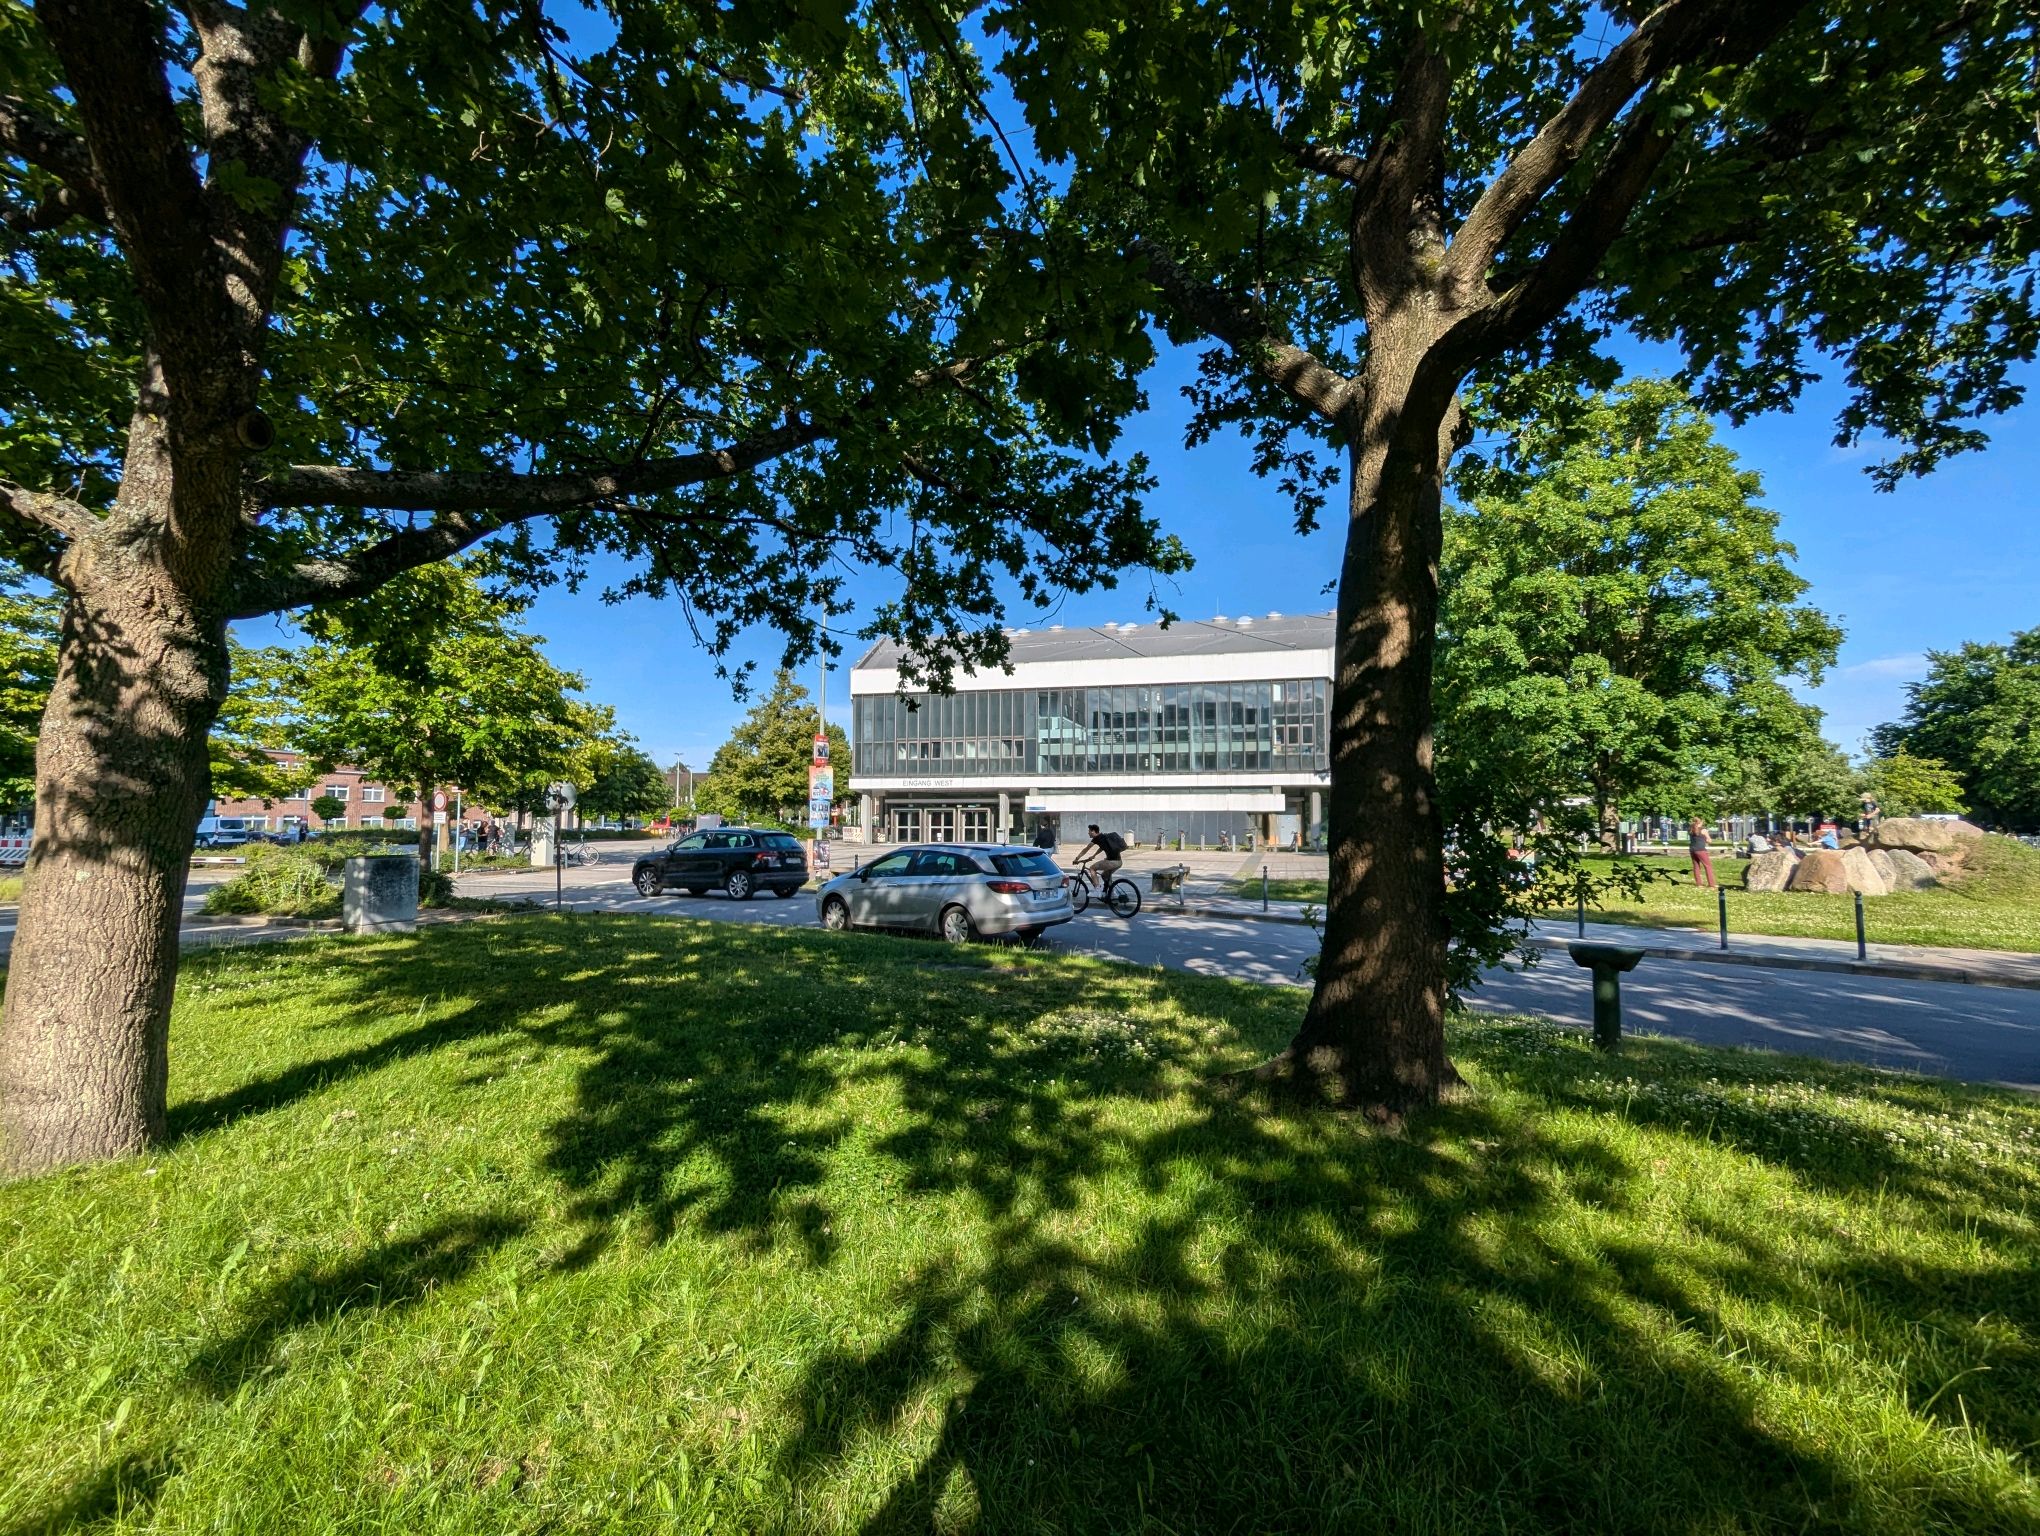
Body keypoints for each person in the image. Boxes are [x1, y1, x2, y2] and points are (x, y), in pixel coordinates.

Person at [1072, 823, 1126, 893]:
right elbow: (1102, 848)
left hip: (1112, 862)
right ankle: (1112, 893)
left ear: (1093, 831)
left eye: (1089, 831)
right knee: (1104, 876)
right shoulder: (1103, 837)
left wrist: (1077, 859)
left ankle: (1098, 890)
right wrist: (1094, 855)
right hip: (1119, 862)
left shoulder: (1096, 839)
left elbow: (1086, 849)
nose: (1088, 833)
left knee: (1092, 868)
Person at [1688, 816, 1716, 887]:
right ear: (1700, 822)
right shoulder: (1704, 830)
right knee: (1708, 866)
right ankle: (1711, 884)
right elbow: (1709, 841)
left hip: (1692, 850)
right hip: (1701, 850)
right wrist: (1705, 839)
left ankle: (1699, 884)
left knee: (1696, 867)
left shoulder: (1691, 830)